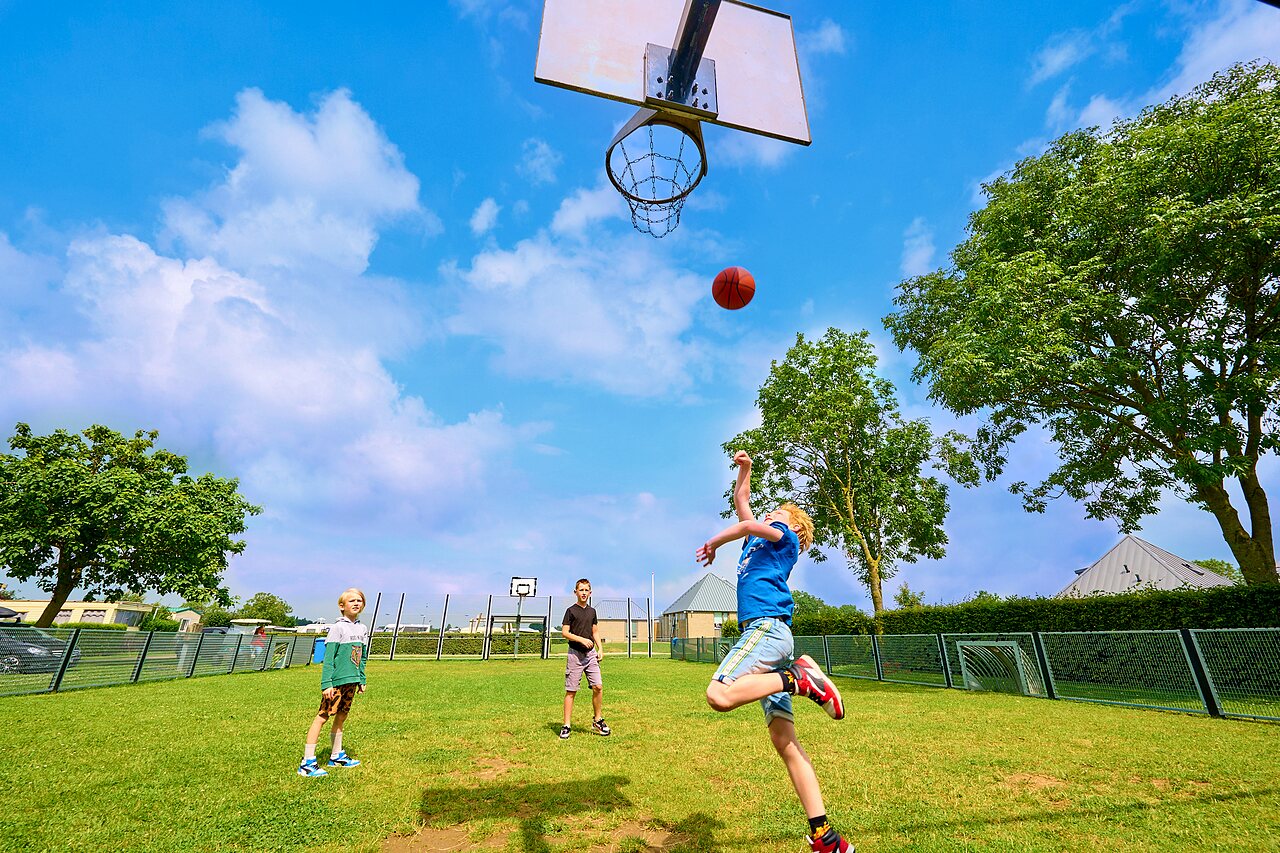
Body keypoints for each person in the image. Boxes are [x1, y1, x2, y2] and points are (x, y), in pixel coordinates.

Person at [696, 450, 852, 853]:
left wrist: (713, 541)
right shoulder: (756, 544)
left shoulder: (786, 541)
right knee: (785, 741)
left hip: (766, 630)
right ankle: (825, 836)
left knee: (719, 693)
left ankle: (800, 679)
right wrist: (745, 470)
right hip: (773, 642)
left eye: (776, 514)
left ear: (792, 526)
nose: (768, 517)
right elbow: (743, 506)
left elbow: (748, 520)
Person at [297, 588, 369, 778]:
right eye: (352, 600)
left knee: (342, 716)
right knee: (322, 716)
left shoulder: (362, 629)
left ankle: (336, 756)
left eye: (359, 600)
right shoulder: (338, 628)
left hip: (352, 682)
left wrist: (361, 679)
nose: (356, 603)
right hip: (336, 682)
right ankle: (307, 762)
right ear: (342, 606)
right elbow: (328, 660)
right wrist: (326, 684)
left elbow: (362, 657)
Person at [559, 578, 610, 739]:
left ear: (590, 592)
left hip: (590, 655)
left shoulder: (592, 612)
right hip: (575, 655)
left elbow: (594, 631)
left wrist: (600, 649)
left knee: (598, 687)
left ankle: (598, 720)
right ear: (575, 592)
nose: (583, 593)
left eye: (586, 590)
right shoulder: (571, 611)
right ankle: (566, 725)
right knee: (571, 691)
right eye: (580, 590)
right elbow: (565, 632)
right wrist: (581, 639)